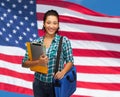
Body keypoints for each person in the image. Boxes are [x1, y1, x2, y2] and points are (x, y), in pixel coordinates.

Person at [22, 9, 74, 97]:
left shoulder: (64, 41)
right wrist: (38, 62)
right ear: (44, 24)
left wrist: (63, 72)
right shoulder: (36, 42)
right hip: (38, 84)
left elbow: (70, 61)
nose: (51, 26)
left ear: (58, 25)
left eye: (55, 23)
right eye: (48, 22)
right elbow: (24, 63)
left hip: (56, 84)